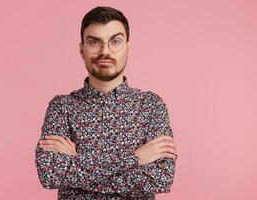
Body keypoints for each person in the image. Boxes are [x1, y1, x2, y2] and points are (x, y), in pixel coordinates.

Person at [35, 6, 178, 200]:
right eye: (94, 42)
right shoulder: (62, 107)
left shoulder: (151, 105)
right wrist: (135, 158)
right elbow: (51, 174)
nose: (105, 51)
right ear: (81, 49)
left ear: (127, 47)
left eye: (115, 42)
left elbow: (161, 179)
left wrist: (77, 163)